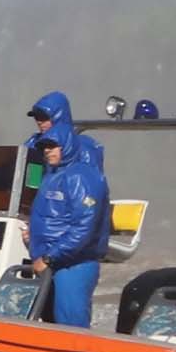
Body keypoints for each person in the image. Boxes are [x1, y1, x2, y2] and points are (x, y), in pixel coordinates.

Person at [19, 91, 112, 327]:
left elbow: (85, 219)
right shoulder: (40, 154)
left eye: (43, 115)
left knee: (71, 325)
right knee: (50, 322)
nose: (39, 121)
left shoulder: (81, 164)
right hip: (47, 255)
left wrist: (50, 257)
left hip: (70, 258)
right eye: (35, 116)